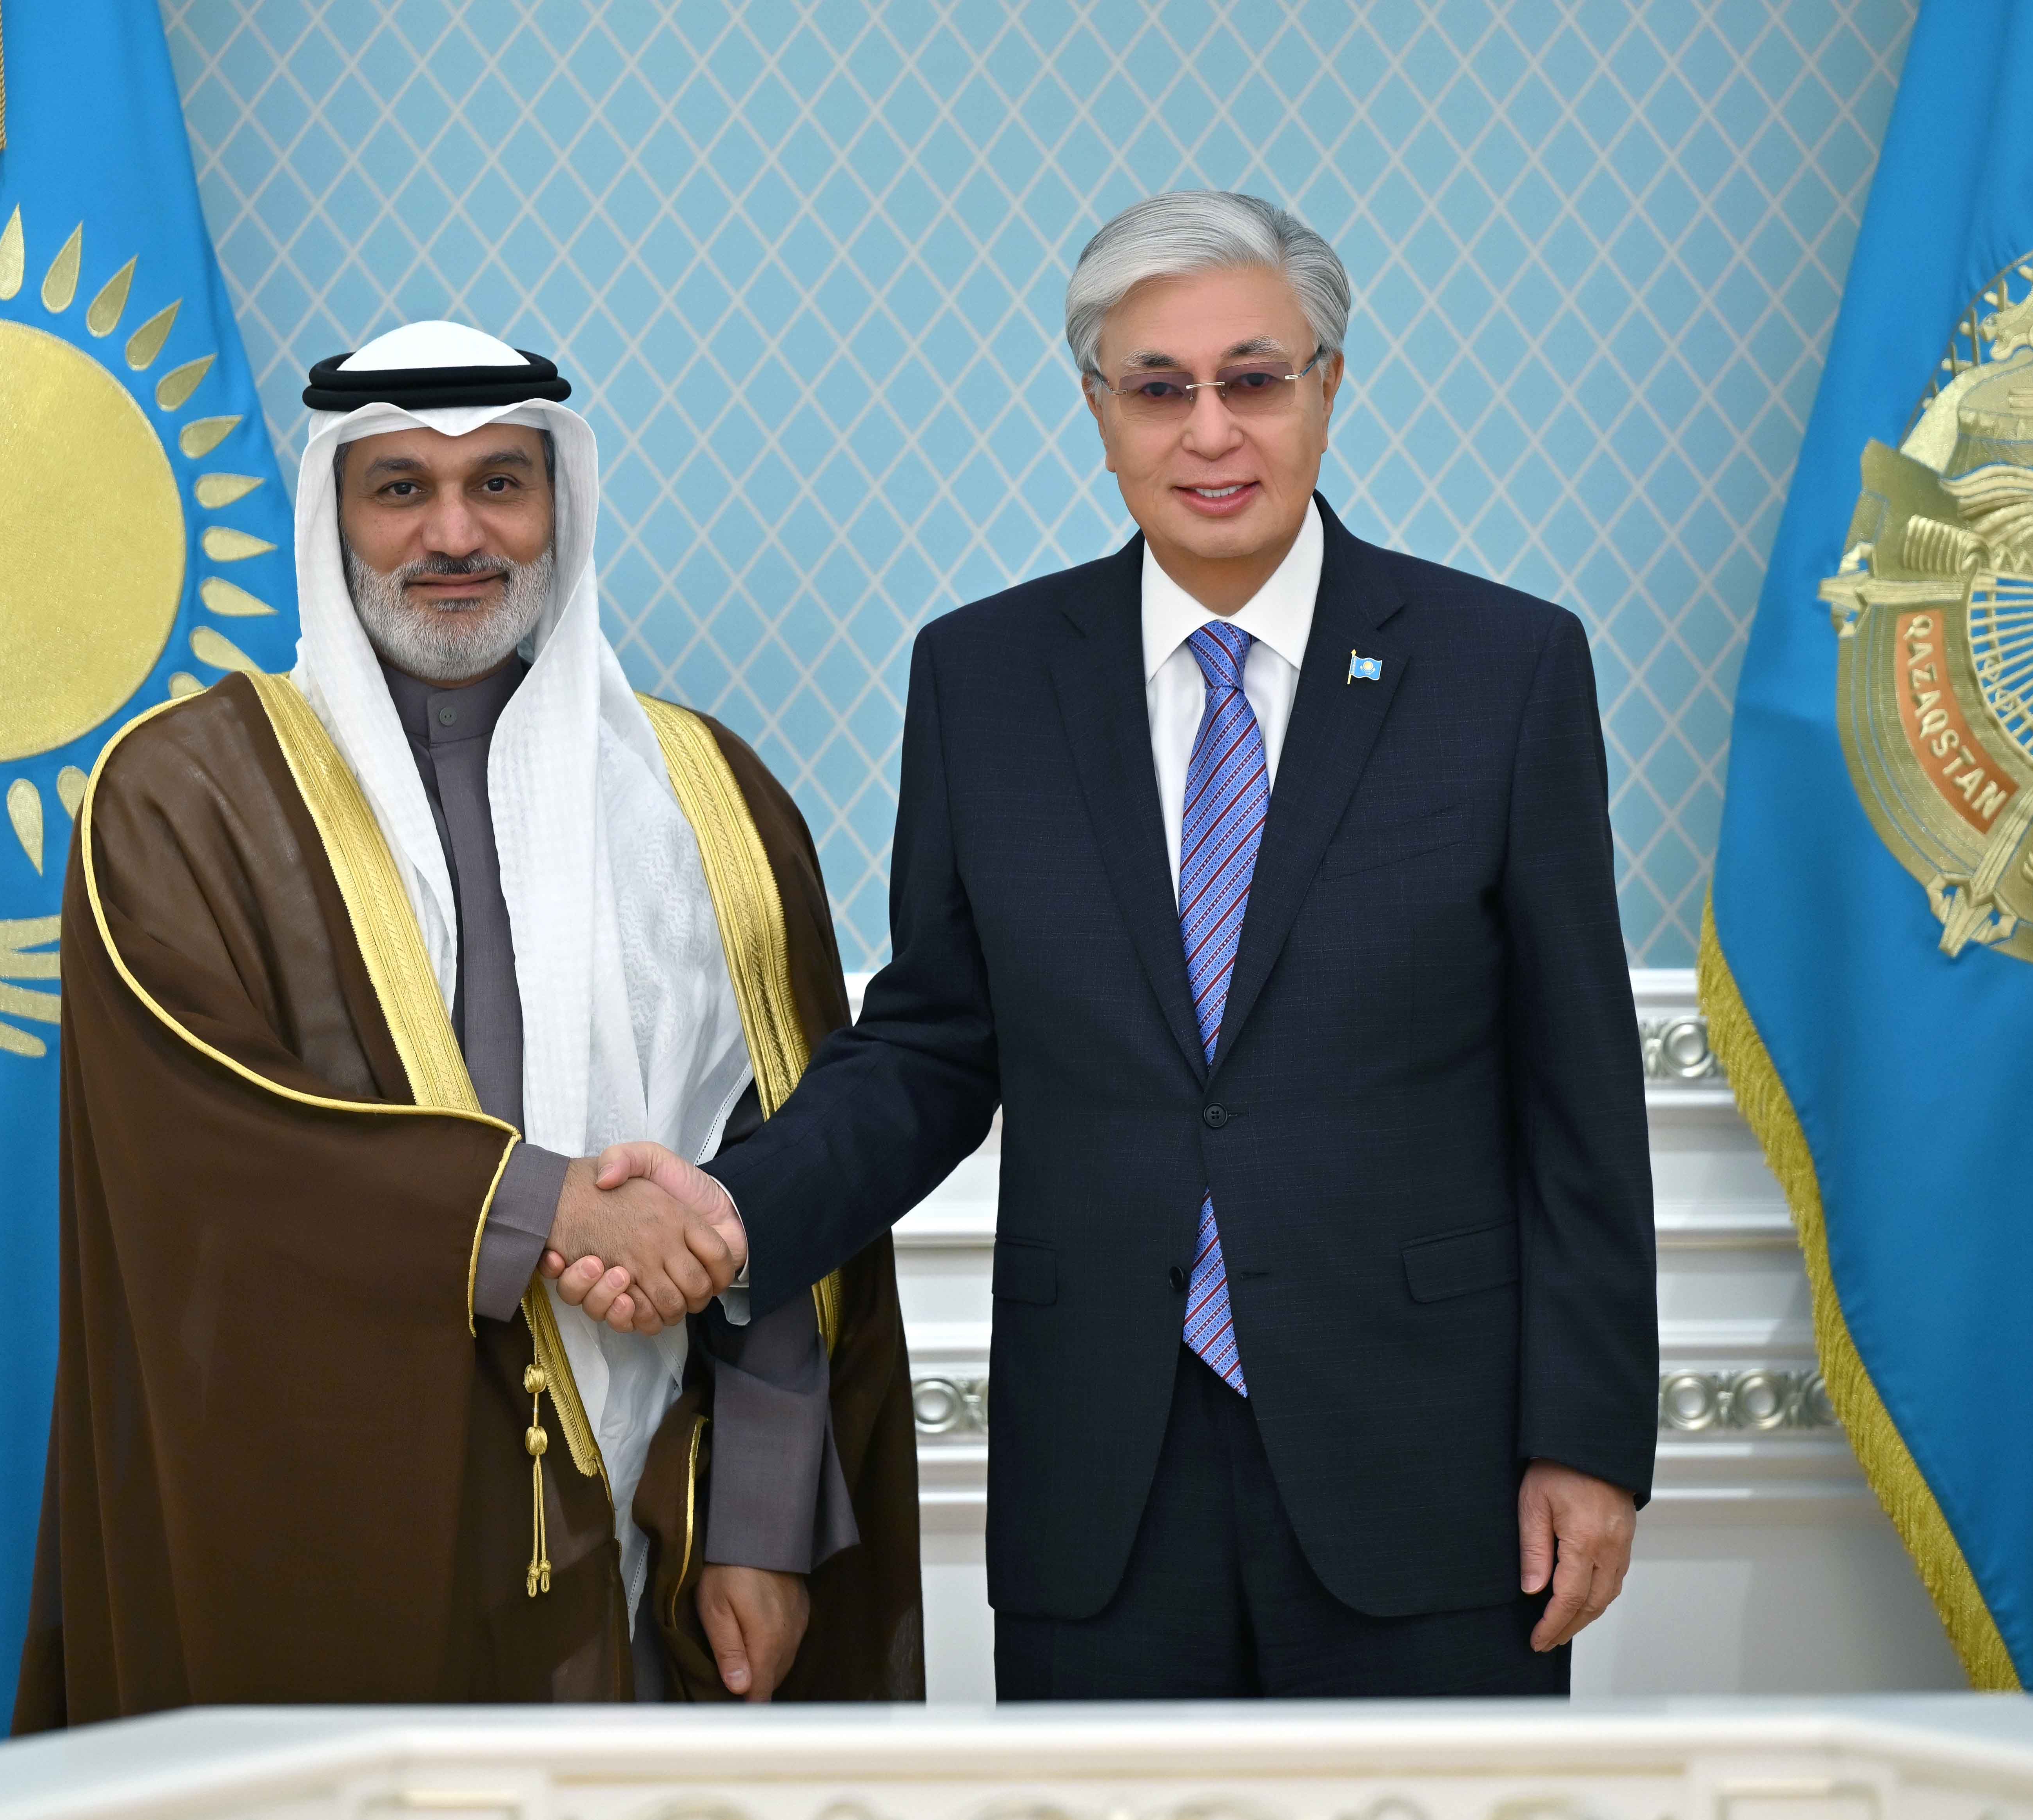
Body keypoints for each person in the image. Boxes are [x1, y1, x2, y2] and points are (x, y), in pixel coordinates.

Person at [570, 192, 1657, 1698]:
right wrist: (734, 1210)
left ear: (1328, 387)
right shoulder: (984, 676)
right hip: (1103, 1474)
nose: (1209, 431)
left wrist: (1587, 1437)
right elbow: (936, 1043)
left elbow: (1576, 1089)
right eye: (1158, 388)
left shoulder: (1502, 667)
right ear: (1097, 410)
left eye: (1252, 379)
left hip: (1427, 1459)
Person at [14, 321, 921, 1725]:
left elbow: (789, 1172)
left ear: (561, 504)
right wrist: (548, 1207)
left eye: (500, 483)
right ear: (333, 515)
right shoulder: (187, 799)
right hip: (325, 1533)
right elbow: (214, 1157)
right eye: (400, 489)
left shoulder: (705, 798)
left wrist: (758, 1513)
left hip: (651, 1529)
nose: (453, 534)